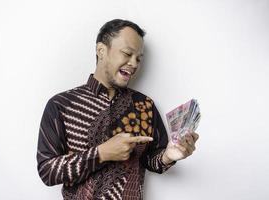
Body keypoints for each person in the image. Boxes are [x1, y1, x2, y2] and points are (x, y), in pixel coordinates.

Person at [36, 19, 199, 200]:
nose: (134, 63)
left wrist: (169, 155)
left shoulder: (145, 106)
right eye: (127, 53)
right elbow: (47, 171)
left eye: (138, 58)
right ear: (101, 50)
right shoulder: (61, 105)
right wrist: (101, 154)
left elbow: (152, 162)